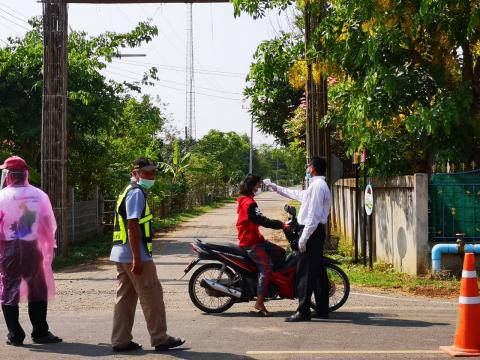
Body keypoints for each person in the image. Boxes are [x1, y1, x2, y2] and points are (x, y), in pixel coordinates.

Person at [110, 157, 185, 352]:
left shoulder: (128, 190)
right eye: (147, 173)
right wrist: (137, 258)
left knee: (125, 299)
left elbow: (132, 223)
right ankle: (160, 338)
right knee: (152, 296)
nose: (151, 176)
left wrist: (148, 232)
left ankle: (120, 340)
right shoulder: (136, 193)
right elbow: (132, 226)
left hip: (120, 253)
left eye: (153, 172)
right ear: (135, 173)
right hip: (136, 255)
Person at [0, 156, 62, 346]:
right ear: (25, 173)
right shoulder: (39, 195)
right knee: (37, 289)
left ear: (8, 175)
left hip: (9, 249)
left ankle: (15, 335)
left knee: (9, 289)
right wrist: (48, 247)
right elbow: (48, 224)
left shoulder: (2, 196)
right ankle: (40, 332)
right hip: (33, 248)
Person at [268, 157, 331, 322]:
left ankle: (303, 311)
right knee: (318, 271)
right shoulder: (316, 186)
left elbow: (313, 215)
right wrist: (277, 188)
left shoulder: (318, 187)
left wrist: (303, 238)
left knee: (305, 273)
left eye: (308, 166)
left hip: (312, 232)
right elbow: (299, 195)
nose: (307, 168)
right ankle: (323, 309)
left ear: (313, 169)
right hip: (314, 232)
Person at [236, 174, 288, 317]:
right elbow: (261, 220)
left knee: (281, 252)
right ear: (253, 186)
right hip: (251, 242)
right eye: (258, 185)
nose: (260, 187)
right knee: (266, 269)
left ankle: (271, 286)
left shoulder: (247, 200)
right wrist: (280, 225)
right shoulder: (249, 203)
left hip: (256, 239)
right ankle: (259, 302)